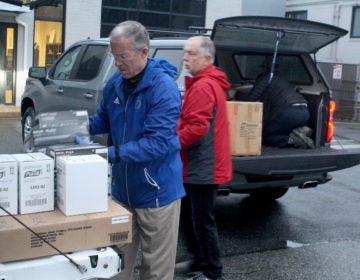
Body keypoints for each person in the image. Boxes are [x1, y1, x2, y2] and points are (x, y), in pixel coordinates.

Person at [79, 20, 185, 280]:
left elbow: (158, 143)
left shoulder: (163, 89)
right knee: (115, 266)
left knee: (155, 272)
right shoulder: (115, 83)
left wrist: (109, 155)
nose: (117, 63)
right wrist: (74, 125)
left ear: (144, 52)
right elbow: (102, 120)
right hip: (122, 193)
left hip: (156, 193)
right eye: (114, 56)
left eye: (123, 56)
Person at [177, 36, 233, 280]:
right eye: (185, 52)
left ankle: (212, 272)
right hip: (202, 163)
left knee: (201, 221)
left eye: (191, 53)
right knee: (191, 217)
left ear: (207, 58)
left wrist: (168, 143)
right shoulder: (207, 83)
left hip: (203, 166)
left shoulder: (202, 86)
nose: (185, 58)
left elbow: (197, 128)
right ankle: (198, 260)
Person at [236, 57, 315, 149]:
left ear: (264, 68)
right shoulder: (282, 79)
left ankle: (294, 140)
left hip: (288, 112)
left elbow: (251, 98)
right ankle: (299, 131)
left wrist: (236, 94)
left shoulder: (266, 77)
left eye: (262, 67)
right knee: (278, 128)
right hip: (304, 112)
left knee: (261, 134)